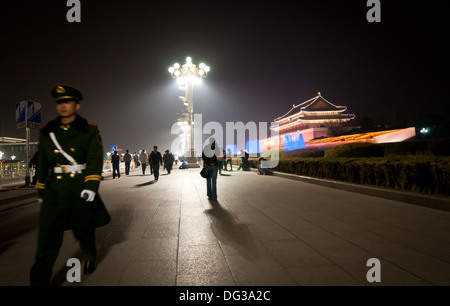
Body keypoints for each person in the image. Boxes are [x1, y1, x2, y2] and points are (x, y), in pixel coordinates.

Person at [30, 84, 111, 286]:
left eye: (67, 101)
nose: (62, 106)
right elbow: (42, 162)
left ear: (77, 105)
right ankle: (39, 281)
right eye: (59, 102)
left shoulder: (89, 130)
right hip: (54, 191)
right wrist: (41, 187)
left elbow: (94, 159)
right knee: (46, 239)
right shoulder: (47, 131)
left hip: (79, 187)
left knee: (84, 228)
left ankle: (89, 255)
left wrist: (91, 186)